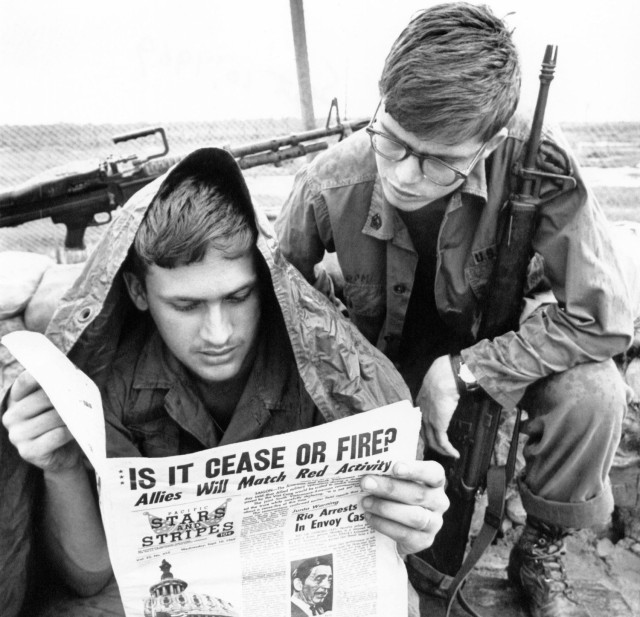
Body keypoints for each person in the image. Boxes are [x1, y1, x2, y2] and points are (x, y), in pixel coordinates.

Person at [274, 3, 634, 616]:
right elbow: (273, 295)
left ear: (490, 142)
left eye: (438, 159)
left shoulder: (536, 164)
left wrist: (465, 370)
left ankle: (539, 547)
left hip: (493, 354)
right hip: (375, 360)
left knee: (596, 393)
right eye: (392, 141)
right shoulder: (330, 180)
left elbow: (602, 318)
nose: (406, 175)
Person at [1, 148, 448, 616]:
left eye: (238, 296)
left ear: (267, 280)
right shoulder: (109, 381)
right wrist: (62, 468)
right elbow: (88, 576)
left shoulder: (327, 372)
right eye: (186, 306)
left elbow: (381, 559)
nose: (218, 333)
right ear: (137, 292)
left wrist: (412, 523)